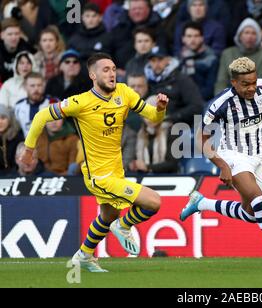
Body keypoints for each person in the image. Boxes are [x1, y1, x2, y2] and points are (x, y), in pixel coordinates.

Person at [19, 53, 170, 273]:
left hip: (116, 171)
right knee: (154, 202)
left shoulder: (125, 92)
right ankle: (125, 225)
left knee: (108, 216)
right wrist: (28, 150)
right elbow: (41, 116)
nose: (112, 73)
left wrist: (160, 108)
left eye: (113, 68)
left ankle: (84, 256)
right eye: (106, 70)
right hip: (98, 175)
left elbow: (154, 117)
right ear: (92, 75)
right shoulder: (80, 102)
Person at [180, 57, 262, 272]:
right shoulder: (220, 104)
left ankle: (202, 203)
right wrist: (221, 164)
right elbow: (200, 138)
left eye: (253, 82)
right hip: (233, 156)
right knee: (260, 202)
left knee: (252, 213)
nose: (251, 88)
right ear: (233, 82)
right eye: (245, 84)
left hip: (258, 156)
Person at [214, 18, 262, 95]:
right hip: (229, 95)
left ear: (258, 37)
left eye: (253, 33)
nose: (250, 36)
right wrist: (220, 98)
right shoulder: (227, 53)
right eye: (246, 33)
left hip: (254, 96)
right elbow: (221, 81)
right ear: (240, 35)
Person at [178, 21, 218, 101]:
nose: (192, 40)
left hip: (201, 102)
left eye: (196, 36)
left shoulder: (211, 59)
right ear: (183, 39)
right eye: (189, 36)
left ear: (202, 38)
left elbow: (209, 90)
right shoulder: (179, 59)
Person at [15, 72, 58, 137]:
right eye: (32, 86)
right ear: (25, 87)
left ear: (44, 86)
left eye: (39, 85)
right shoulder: (18, 106)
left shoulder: (53, 103)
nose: (36, 89)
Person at [0, 104, 24, 176]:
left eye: (3, 118)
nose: (0, 122)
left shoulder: (18, 138)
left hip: (15, 176)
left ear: (9, 120)